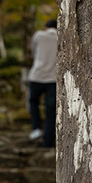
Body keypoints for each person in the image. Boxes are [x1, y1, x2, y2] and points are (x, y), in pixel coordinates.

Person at [28, 19, 58, 147]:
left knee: (33, 102)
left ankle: (36, 128)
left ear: (46, 27)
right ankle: (48, 141)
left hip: (37, 76)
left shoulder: (39, 35)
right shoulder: (61, 38)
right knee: (51, 111)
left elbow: (33, 53)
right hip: (53, 79)